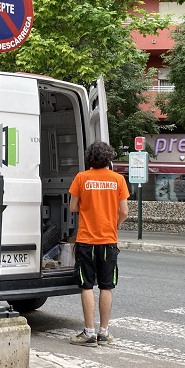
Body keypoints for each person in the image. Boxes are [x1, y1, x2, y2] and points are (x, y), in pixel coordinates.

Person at [68, 141, 129, 347]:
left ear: (89, 158)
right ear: (109, 158)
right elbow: (125, 212)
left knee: (86, 285)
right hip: (109, 240)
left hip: (86, 240)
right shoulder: (118, 179)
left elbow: (73, 207)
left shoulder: (81, 178)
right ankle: (104, 332)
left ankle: (88, 332)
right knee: (106, 286)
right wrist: (114, 224)